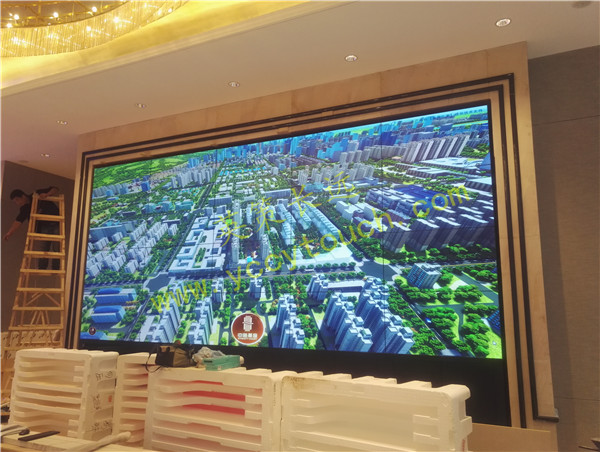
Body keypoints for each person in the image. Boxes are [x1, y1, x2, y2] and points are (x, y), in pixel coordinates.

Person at [4, 186, 60, 270]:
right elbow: (18, 221)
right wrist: (9, 233)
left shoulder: (36, 194)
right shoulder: (25, 208)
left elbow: (55, 188)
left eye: (17, 200)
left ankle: (55, 268)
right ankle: (42, 269)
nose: (17, 203)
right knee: (43, 249)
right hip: (43, 228)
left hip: (55, 223)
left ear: (23, 196)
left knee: (57, 247)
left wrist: (47, 194)